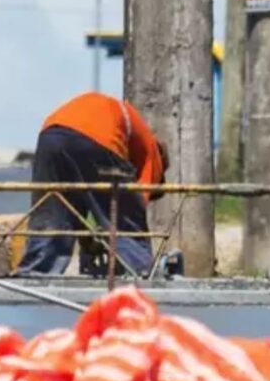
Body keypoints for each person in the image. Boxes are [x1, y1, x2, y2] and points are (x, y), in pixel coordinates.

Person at [15, 92, 166, 277]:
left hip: (51, 134)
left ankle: (38, 272)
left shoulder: (122, 120)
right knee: (126, 224)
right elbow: (135, 203)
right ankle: (140, 273)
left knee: (52, 214)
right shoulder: (154, 153)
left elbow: (77, 205)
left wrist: (88, 236)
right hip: (98, 135)